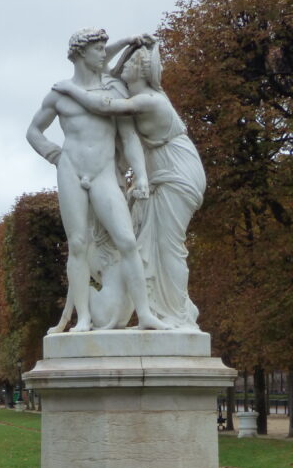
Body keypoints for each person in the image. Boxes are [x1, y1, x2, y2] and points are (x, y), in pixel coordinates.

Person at [52, 41, 205, 329]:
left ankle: (178, 314)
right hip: (160, 166)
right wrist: (127, 41)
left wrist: (70, 89)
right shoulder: (124, 86)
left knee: (169, 244)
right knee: (156, 243)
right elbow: (96, 65)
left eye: (128, 61)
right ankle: (168, 311)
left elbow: (102, 104)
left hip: (175, 167)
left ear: (137, 70)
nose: (118, 65)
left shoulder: (148, 99)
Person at [26, 28, 167, 332]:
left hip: (104, 172)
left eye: (105, 48)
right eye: (98, 48)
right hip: (71, 170)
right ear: (80, 53)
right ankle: (84, 319)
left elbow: (129, 138)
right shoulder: (59, 94)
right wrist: (55, 155)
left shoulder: (114, 91)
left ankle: (144, 314)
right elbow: (33, 131)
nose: (104, 53)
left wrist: (140, 175)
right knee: (77, 244)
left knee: (127, 241)